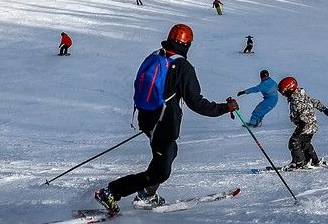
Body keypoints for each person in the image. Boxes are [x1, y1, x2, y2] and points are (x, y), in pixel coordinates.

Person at [94, 24, 237, 214]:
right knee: (161, 171)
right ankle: (112, 192)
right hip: (162, 125)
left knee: (169, 153)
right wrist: (224, 108)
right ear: (188, 44)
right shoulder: (182, 67)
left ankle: (147, 193)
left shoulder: (156, 56)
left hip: (147, 119)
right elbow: (196, 103)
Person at [278, 76, 328, 170]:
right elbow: (313, 102)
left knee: (294, 142)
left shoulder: (296, 100)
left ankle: (299, 162)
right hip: (311, 125)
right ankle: (313, 160)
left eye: (284, 92)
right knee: (305, 143)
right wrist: (324, 109)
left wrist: (302, 125)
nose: (284, 95)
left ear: (289, 89)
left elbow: (304, 112)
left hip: (305, 125)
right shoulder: (301, 96)